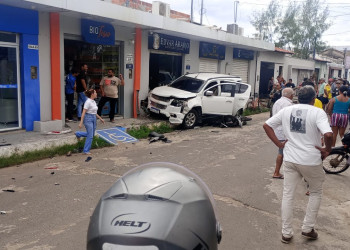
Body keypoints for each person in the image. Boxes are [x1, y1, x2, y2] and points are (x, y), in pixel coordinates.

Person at [263, 86, 333, 244]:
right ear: (313, 98)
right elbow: (328, 134)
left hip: (290, 159)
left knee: (288, 195)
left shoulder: (288, 110)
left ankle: (286, 233)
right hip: (311, 160)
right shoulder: (317, 112)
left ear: (297, 97)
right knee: (315, 192)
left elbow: (267, 125)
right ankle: (308, 228)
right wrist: (326, 150)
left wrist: (279, 143)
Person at [271, 88, 294, 179]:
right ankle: (277, 172)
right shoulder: (288, 104)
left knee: (282, 152)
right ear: (290, 95)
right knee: (283, 152)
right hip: (284, 131)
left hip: (277, 130)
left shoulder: (278, 102)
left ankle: (277, 172)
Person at [75, 89, 105, 154]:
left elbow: (94, 112)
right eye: (95, 92)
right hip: (88, 118)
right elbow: (83, 112)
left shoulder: (93, 102)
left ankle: (78, 133)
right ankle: (86, 150)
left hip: (93, 118)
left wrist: (100, 118)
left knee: (91, 134)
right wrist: (81, 122)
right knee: (90, 135)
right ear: (92, 94)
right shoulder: (87, 102)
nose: (96, 93)